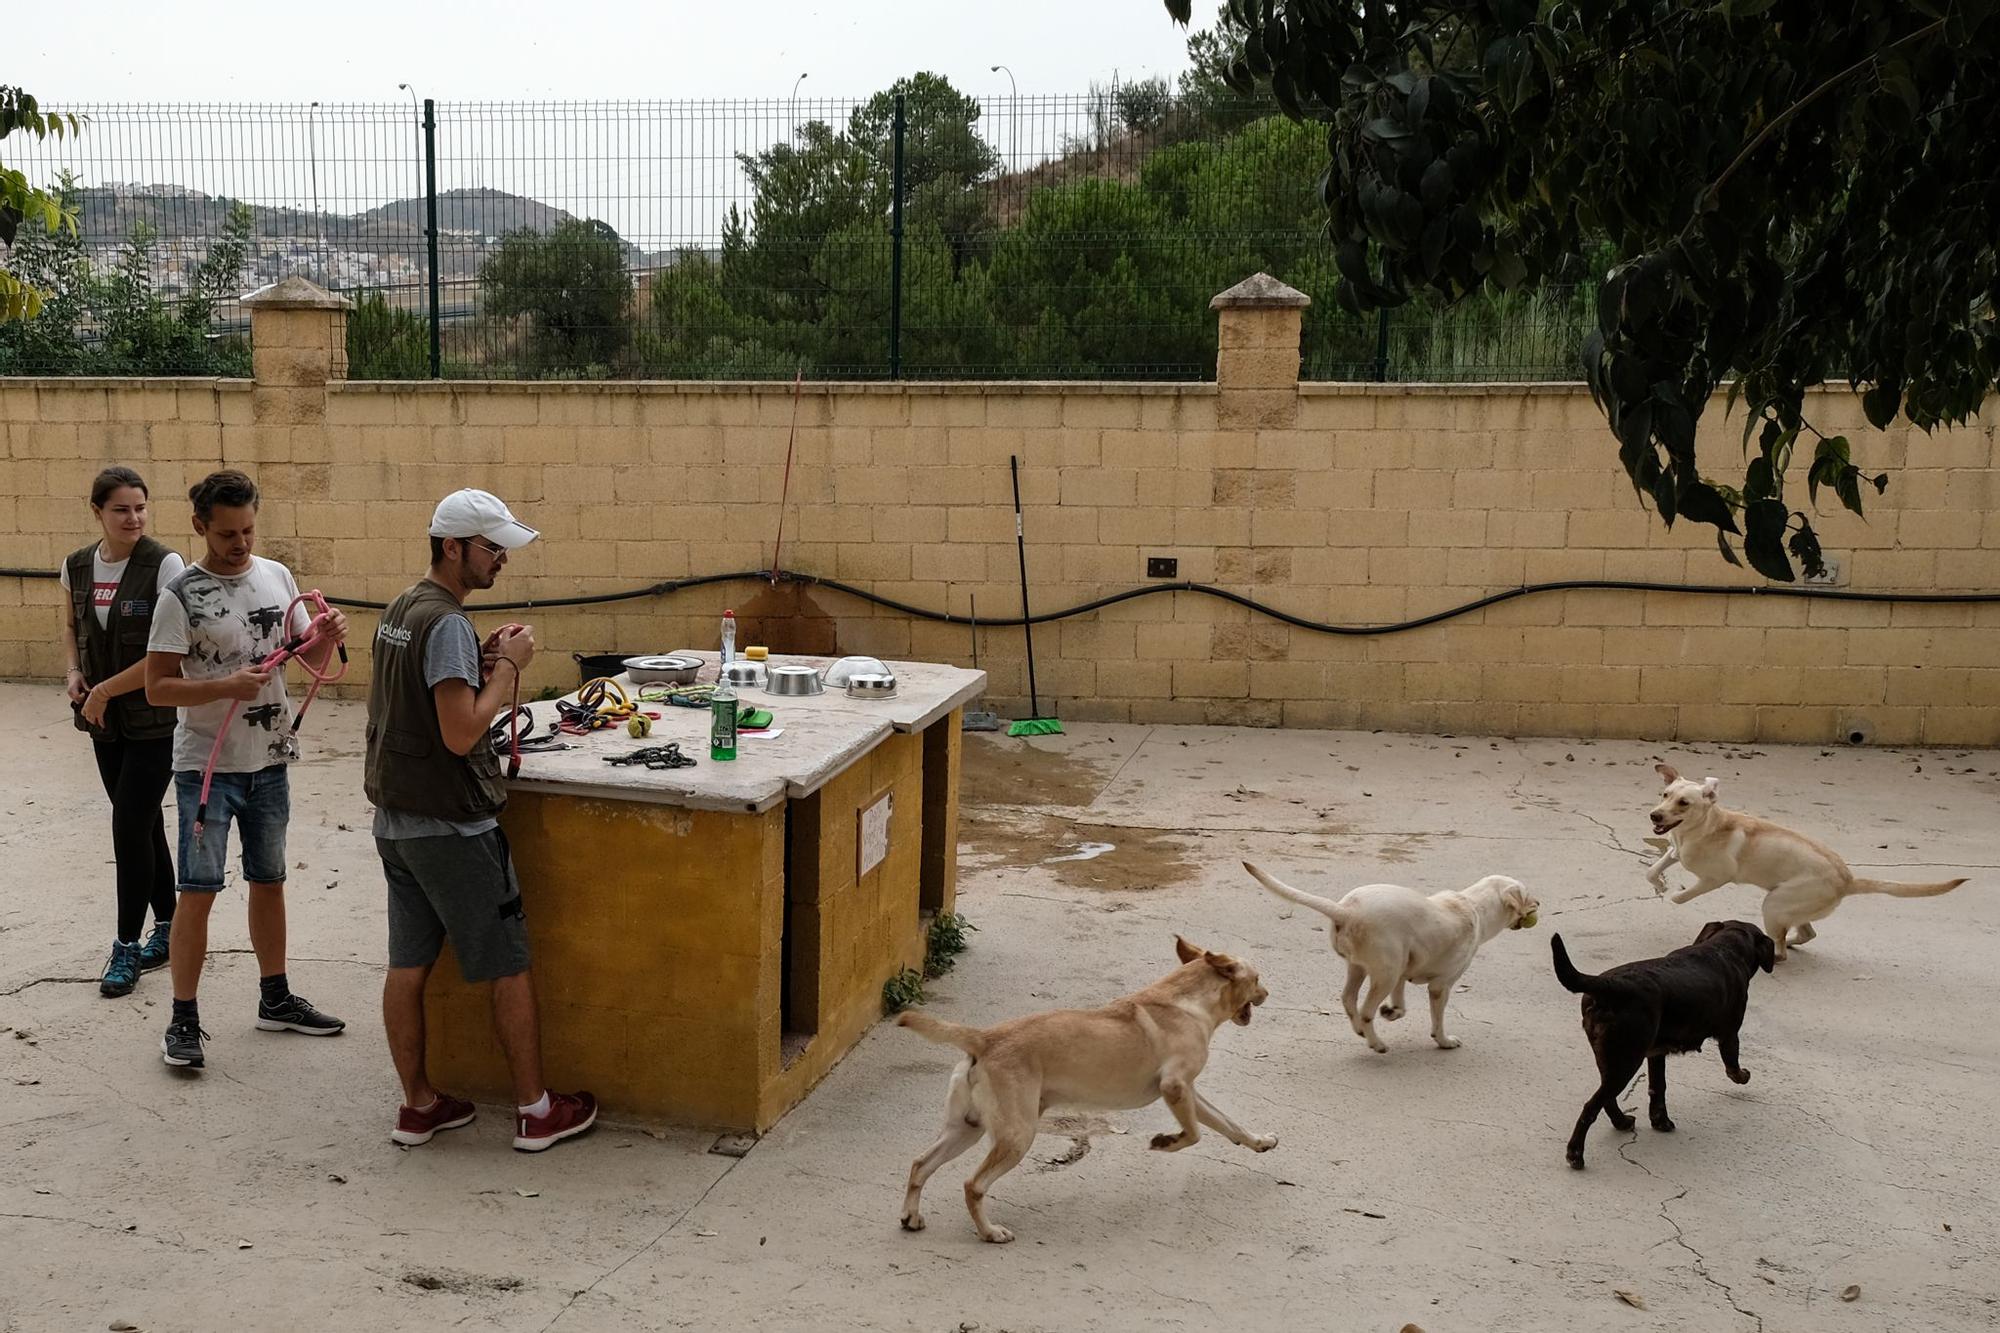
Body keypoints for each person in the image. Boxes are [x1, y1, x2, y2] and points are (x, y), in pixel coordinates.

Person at [367, 489, 597, 1152]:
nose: (501, 559)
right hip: (452, 829)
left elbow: (425, 694)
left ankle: (419, 1106)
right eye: (491, 547)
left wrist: (484, 660)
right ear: (451, 546)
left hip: (398, 821)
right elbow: (462, 730)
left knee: (407, 964)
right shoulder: (444, 624)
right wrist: (509, 671)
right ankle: (535, 1109)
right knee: (507, 963)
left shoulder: (403, 607)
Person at [144, 470, 348, 1070]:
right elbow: (157, 689)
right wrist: (224, 686)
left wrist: (324, 636)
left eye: (249, 529)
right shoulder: (180, 596)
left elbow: (302, 657)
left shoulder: (277, 576)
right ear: (200, 526)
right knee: (197, 894)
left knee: (270, 880)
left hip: (270, 761)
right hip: (207, 769)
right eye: (228, 532)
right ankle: (183, 1019)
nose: (241, 543)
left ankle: (275, 998)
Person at [60, 467, 185, 997]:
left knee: (128, 824)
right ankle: (171, 926)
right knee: (142, 820)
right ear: (97, 513)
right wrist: (73, 672)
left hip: (154, 718)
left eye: (140, 507)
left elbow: (166, 655)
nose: (133, 518)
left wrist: (107, 688)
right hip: (102, 720)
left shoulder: (165, 564)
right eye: (121, 509)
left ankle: (126, 946)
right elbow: (70, 625)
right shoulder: (77, 565)